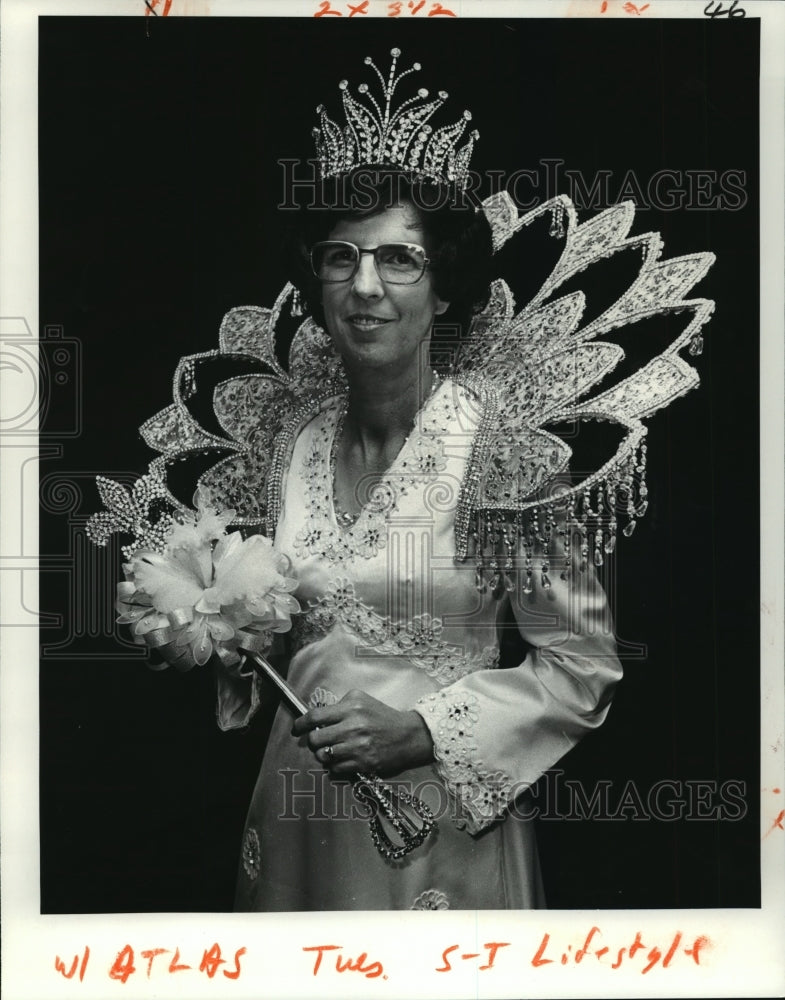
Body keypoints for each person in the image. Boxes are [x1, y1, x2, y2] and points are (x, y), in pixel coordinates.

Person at [92, 47, 713, 912]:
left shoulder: (501, 451)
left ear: (445, 285)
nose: (365, 287)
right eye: (340, 258)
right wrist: (206, 624)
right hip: (291, 823)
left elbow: (578, 666)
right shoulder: (286, 444)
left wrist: (422, 731)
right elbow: (271, 651)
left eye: (399, 260)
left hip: (441, 837)